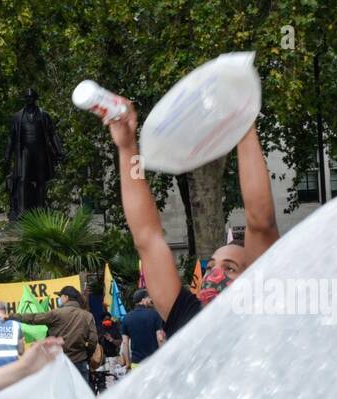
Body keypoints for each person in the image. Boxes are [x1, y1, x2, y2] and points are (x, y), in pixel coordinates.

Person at [106, 100, 278, 338]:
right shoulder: (187, 316)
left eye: (230, 268)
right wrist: (127, 149)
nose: (214, 275)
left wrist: (244, 128)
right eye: (210, 267)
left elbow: (260, 221)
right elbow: (147, 236)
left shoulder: (263, 316)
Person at [41, 287, 99, 380]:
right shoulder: (87, 315)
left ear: (66, 297)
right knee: (82, 393)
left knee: (63, 393)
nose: (59, 299)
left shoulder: (55, 314)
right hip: (80, 361)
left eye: (60, 296)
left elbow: (48, 341)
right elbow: (93, 340)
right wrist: (86, 355)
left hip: (59, 363)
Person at [120, 289, 165, 367]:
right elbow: (160, 338)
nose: (151, 300)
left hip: (136, 364)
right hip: (153, 363)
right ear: (143, 300)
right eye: (149, 297)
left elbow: (125, 343)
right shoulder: (154, 315)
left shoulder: (126, 318)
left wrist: (128, 363)